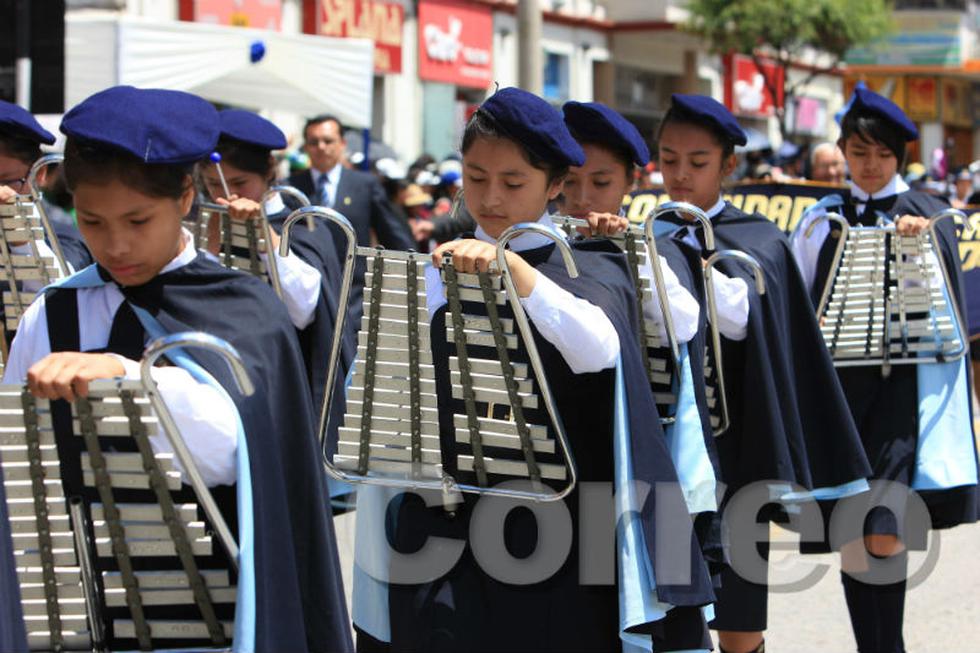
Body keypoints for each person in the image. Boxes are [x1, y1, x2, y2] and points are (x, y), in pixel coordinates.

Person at [353, 87, 715, 653]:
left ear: (554, 186)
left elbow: (601, 348)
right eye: (476, 178)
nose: (491, 197)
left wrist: (518, 275)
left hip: (565, 530)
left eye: (513, 182)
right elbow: (381, 382)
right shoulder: (432, 270)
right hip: (449, 521)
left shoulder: (591, 263)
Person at [0, 86, 351, 652]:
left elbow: (235, 448)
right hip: (80, 606)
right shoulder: (54, 311)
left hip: (218, 614)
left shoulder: (247, 307)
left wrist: (125, 377)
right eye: (92, 221)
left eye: (138, 220)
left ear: (186, 197)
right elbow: (20, 458)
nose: (116, 244)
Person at [653, 94, 871, 653]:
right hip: (668, 447)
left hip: (737, 451)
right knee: (667, 614)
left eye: (698, 162)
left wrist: (688, 272)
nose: (680, 174)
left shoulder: (760, 239)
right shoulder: (649, 235)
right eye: (669, 159)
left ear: (728, 165)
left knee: (739, 620)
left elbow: (760, 329)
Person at [791, 87, 978, 653]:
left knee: (886, 529)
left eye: (881, 154)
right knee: (852, 530)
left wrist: (917, 251)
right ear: (843, 151)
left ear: (899, 156)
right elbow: (799, 300)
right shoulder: (819, 220)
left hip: (900, 393)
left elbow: (943, 315)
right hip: (840, 394)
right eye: (858, 152)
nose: (869, 165)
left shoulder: (926, 214)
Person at [559, 100, 720, 535]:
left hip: (632, 438)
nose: (583, 198)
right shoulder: (537, 245)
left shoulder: (654, 247)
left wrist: (630, 249)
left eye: (601, 182)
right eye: (569, 182)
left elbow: (684, 324)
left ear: (630, 183)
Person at [198, 108, 353, 423]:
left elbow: (305, 310)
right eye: (213, 184)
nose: (227, 194)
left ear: (269, 170)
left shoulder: (304, 224)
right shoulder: (203, 222)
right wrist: (209, 247)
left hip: (288, 388)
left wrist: (264, 237)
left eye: (240, 182)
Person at [287, 115, 414, 323]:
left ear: (342, 144)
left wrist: (412, 272)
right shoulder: (291, 187)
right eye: (314, 142)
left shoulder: (364, 185)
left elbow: (393, 234)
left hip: (352, 296)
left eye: (328, 141)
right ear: (306, 147)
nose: (321, 147)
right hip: (305, 295)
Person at [0, 100, 92, 273]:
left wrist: (22, 240)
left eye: (7, 181)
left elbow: (62, 281)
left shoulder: (63, 234)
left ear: (39, 173)